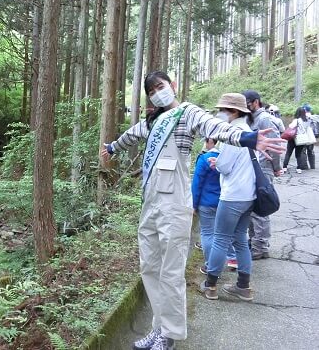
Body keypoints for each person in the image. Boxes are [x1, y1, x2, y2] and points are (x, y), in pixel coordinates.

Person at [100, 71, 284, 350]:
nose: (157, 93)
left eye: (160, 87)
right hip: (149, 202)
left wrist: (248, 139)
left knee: (171, 271)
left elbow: (214, 127)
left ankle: (169, 335)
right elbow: (132, 134)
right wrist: (112, 147)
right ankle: (158, 327)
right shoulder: (154, 121)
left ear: (172, 86)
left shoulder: (186, 114)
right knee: (149, 267)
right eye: (152, 91)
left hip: (173, 203)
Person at [199, 93, 256, 301]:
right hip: (249, 195)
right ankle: (243, 286)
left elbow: (224, 165)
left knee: (220, 239)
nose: (220, 114)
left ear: (234, 112)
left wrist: (216, 163)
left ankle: (211, 285)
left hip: (232, 196)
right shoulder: (250, 132)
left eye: (223, 110)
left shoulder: (234, 134)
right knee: (240, 239)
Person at [242, 90, 282, 260]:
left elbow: (275, 145)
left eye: (247, 103)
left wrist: (276, 167)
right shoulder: (248, 119)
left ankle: (261, 246)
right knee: (252, 207)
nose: (245, 106)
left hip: (264, 167)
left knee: (261, 207)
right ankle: (255, 242)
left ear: (256, 102)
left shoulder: (264, 119)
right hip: (252, 167)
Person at [192, 138, 237, 274]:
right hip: (226, 201)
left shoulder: (205, 158)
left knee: (207, 233)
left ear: (211, 141)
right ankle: (233, 259)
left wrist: (193, 204)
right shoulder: (231, 158)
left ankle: (210, 266)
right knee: (224, 233)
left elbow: (197, 183)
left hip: (206, 203)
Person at [284, 107, 311, 174]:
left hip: (293, 139)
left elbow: (291, 127)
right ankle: (299, 168)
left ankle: (284, 167)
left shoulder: (296, 120)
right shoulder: (306, 120)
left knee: (288, 153)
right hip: (302, 139)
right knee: (298, 154)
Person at [302, 104, 316, 169]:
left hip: (304, 136)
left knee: (303, 151)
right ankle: (312, 166)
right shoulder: (313, 117)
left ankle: (304, 166)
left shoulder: (303, 117)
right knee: (311, 151)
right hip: (312, 136)